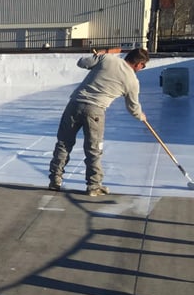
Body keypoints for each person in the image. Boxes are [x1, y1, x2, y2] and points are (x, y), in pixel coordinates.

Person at [48, 47, 149, 196]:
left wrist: (99, 55)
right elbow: (133, 107)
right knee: (94, 149)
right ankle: (93, 185)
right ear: (139, 63)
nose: (142, 69)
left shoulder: (107, 59)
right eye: (143, 66)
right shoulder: (132, 81)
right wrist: (141, 116)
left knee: (64, 143)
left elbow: (81, 63)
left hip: (74, 104)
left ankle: (55, 179)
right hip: (95, 111)